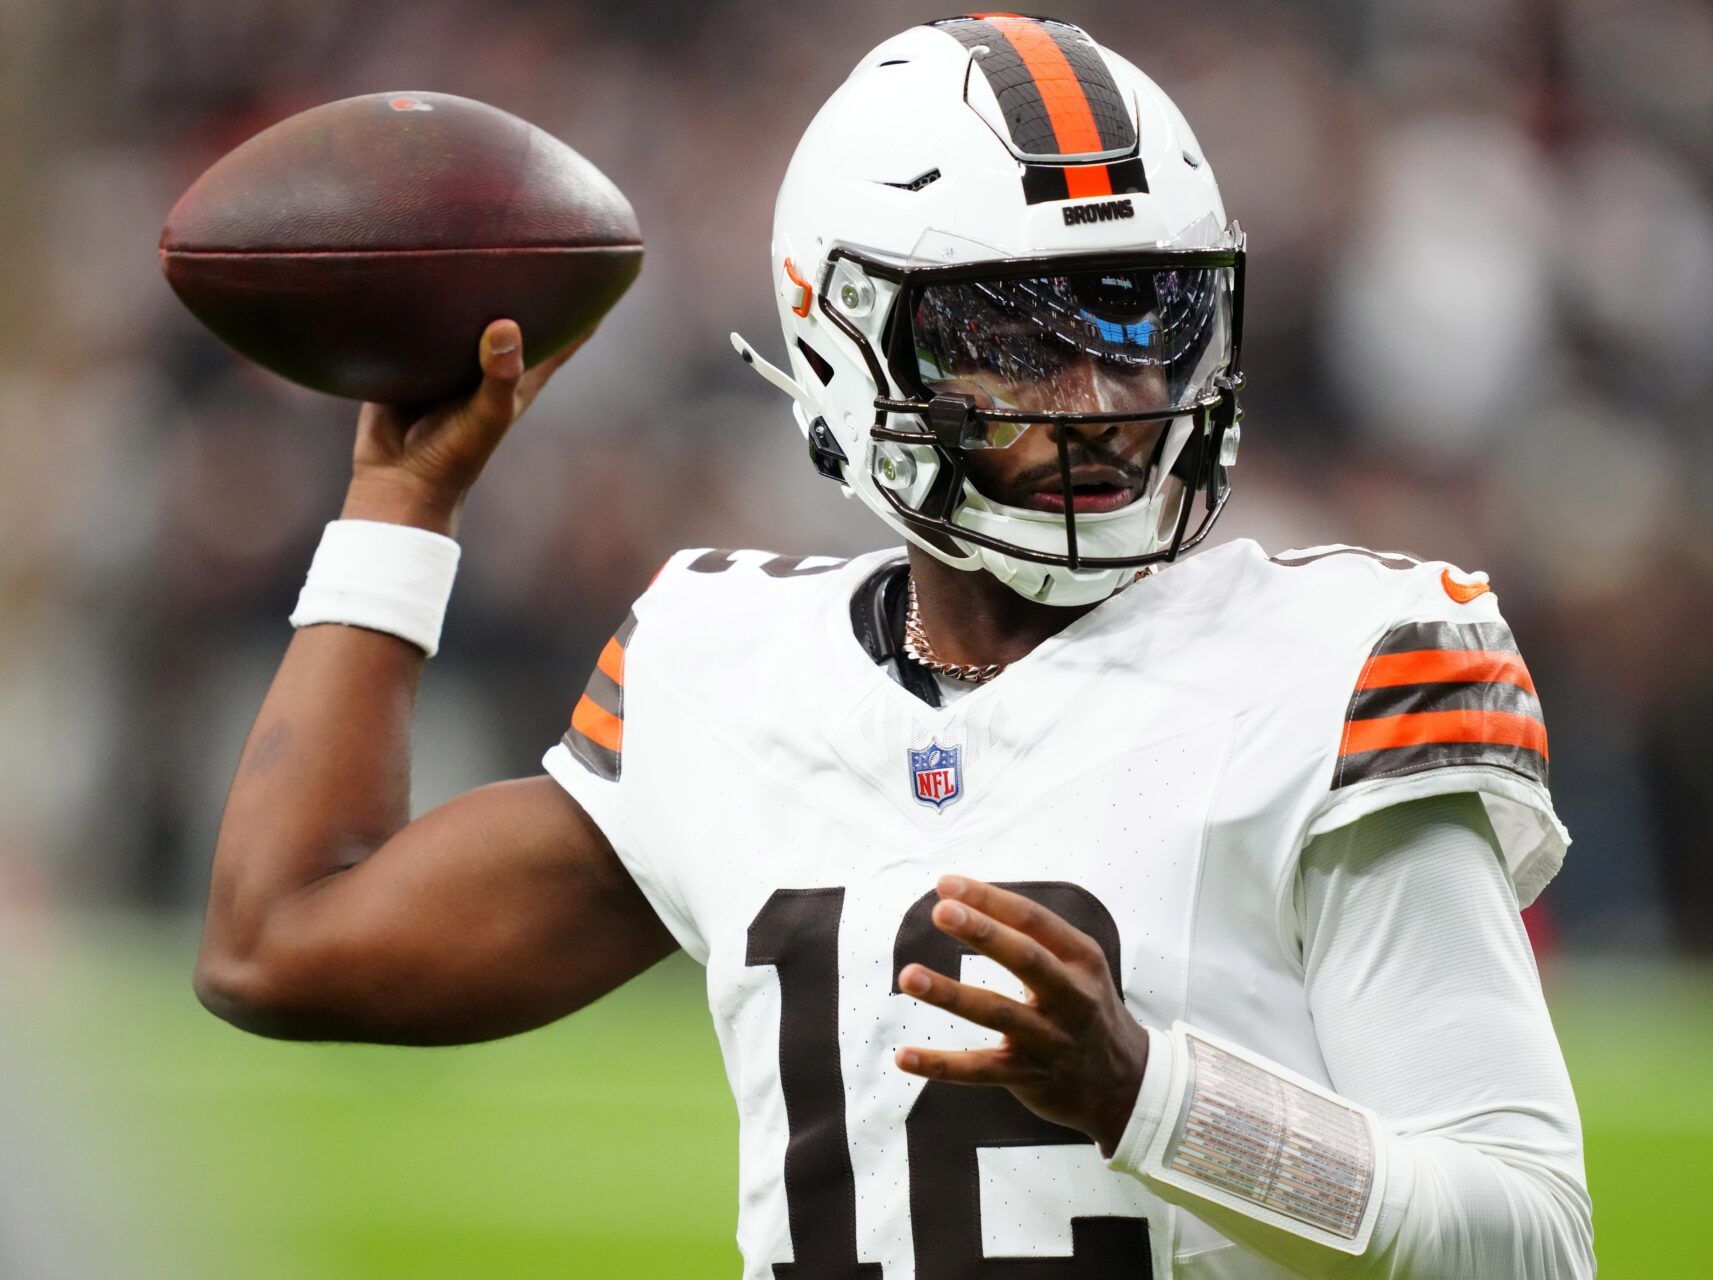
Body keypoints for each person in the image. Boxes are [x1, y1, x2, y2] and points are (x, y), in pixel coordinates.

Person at [196, 15, 1595, 1279]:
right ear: (842, 343)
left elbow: (1531, 1240)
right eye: (1014, 337)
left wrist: (1145, 1095)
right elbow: (282, 940)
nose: (1106, 401)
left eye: (1144, 321)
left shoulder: (1336, 664)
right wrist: (400, 503)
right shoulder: (730, 670)